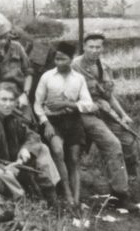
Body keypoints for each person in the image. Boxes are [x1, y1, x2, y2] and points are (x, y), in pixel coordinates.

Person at [34, 42, 97, 208]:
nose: (58, 62)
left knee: (74, 158)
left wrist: (68, 105)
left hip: (73, 120)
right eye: (56, 59)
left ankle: (76, 200)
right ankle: (67, 194)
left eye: (62, 59)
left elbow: (88, 104)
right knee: (57, 151)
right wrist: (45, 123)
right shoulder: (47, 77)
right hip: (53, 122)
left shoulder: (78, 79)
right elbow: (37, 104)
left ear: (71, 60)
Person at [72, 31, 140, 177]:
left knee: (128, 139)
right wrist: (95, 103)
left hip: (105, 111)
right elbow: (70, 94)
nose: (95, 51)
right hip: (85, 112)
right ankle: (116, 184)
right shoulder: (75, 66)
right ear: (84, 46)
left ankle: (131, 177)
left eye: (98, 47)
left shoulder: (105, 67)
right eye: (91, 47)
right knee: (111, 143)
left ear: (102, 48)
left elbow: (109, 96)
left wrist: (123, 115)